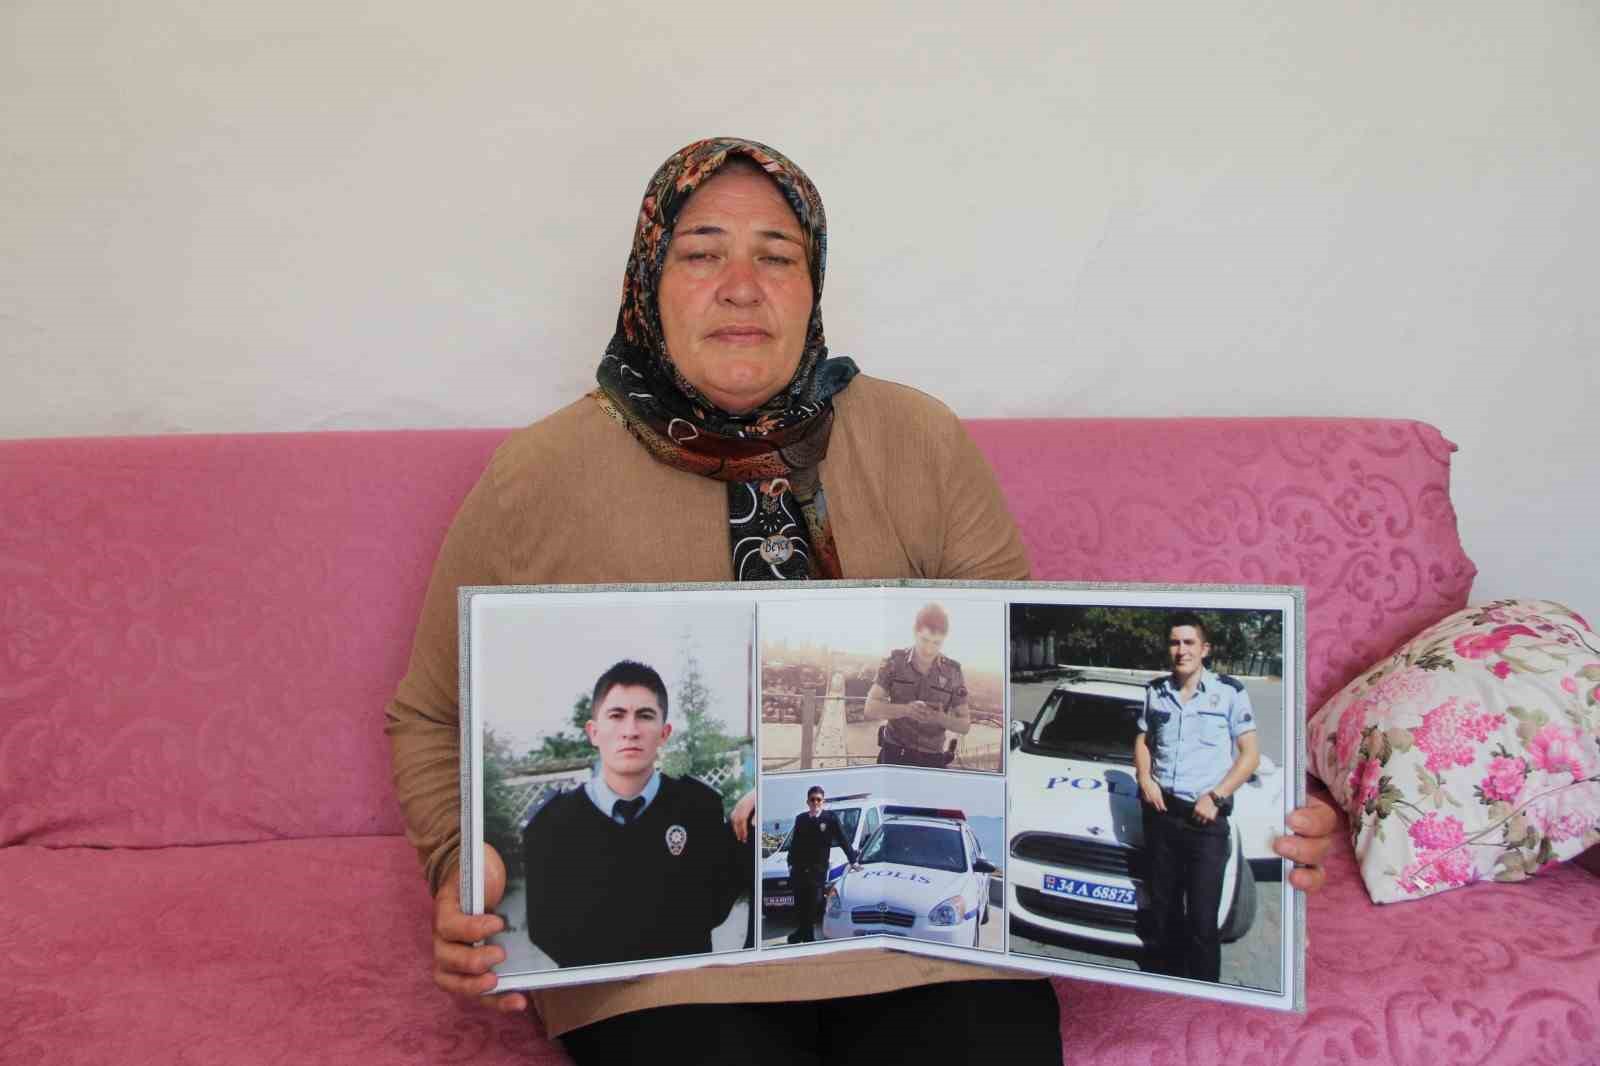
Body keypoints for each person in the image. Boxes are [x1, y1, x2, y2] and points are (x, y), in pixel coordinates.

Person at [386, 137, 1338, 1065]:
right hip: (664, 967)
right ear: (646, 281)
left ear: (815, 284)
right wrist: (455, 871)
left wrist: (1271, 823)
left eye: (778, 256)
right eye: (701, 253)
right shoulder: (538, 476)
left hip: (927, 954)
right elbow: (430, 714)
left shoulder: (918, 441)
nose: (742, 286)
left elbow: (1001, 694)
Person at [520, 660, 753, 967]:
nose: (630, 731)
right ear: (593, 732)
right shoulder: (552, 824)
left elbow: (715, 906)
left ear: (664, 733)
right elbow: (545, 930)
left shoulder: (698, 808)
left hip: (682, 998)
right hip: (596, 1003)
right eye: (616, 716)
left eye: (645, 716)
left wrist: (759, 795)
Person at [1133, 613, 1261, 982]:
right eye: (1174, 642)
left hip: (1206, 819)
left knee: (1203, 920)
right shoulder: (1154, 691)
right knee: (1164, 911)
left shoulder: (1229, 692)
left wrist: (1217, 797)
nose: (1181, 650)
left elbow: (1249, 753)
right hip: (1161, 815)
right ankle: (1164, 984)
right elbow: (1142, 739)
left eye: (1189, 643)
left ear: (1204, 649)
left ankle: (1205, 992)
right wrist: (1145, 777)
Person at [862, 603, 970, 767]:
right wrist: (906, 710)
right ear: (915, 632)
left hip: (932, 759)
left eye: (936, 643)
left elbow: (964, 725)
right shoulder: (894, 663)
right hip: (894, 752)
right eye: (924, 640)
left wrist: (940, 718)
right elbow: (869, 708)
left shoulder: (953, 672)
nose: (929, 649)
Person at [784, 786, 860, 944]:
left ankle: (806, 937)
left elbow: (843, 839)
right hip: (799, 870)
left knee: (813, 904)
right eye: (812, 799)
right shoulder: (801, 819)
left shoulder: (830, 818)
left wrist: (853, 860)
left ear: (823, 801)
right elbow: (794, 844)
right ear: (807, 802)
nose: (815, 802)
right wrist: (790, 863)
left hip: (817, 871)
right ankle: (803, 934)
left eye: (818, 799)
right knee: (801, 905)